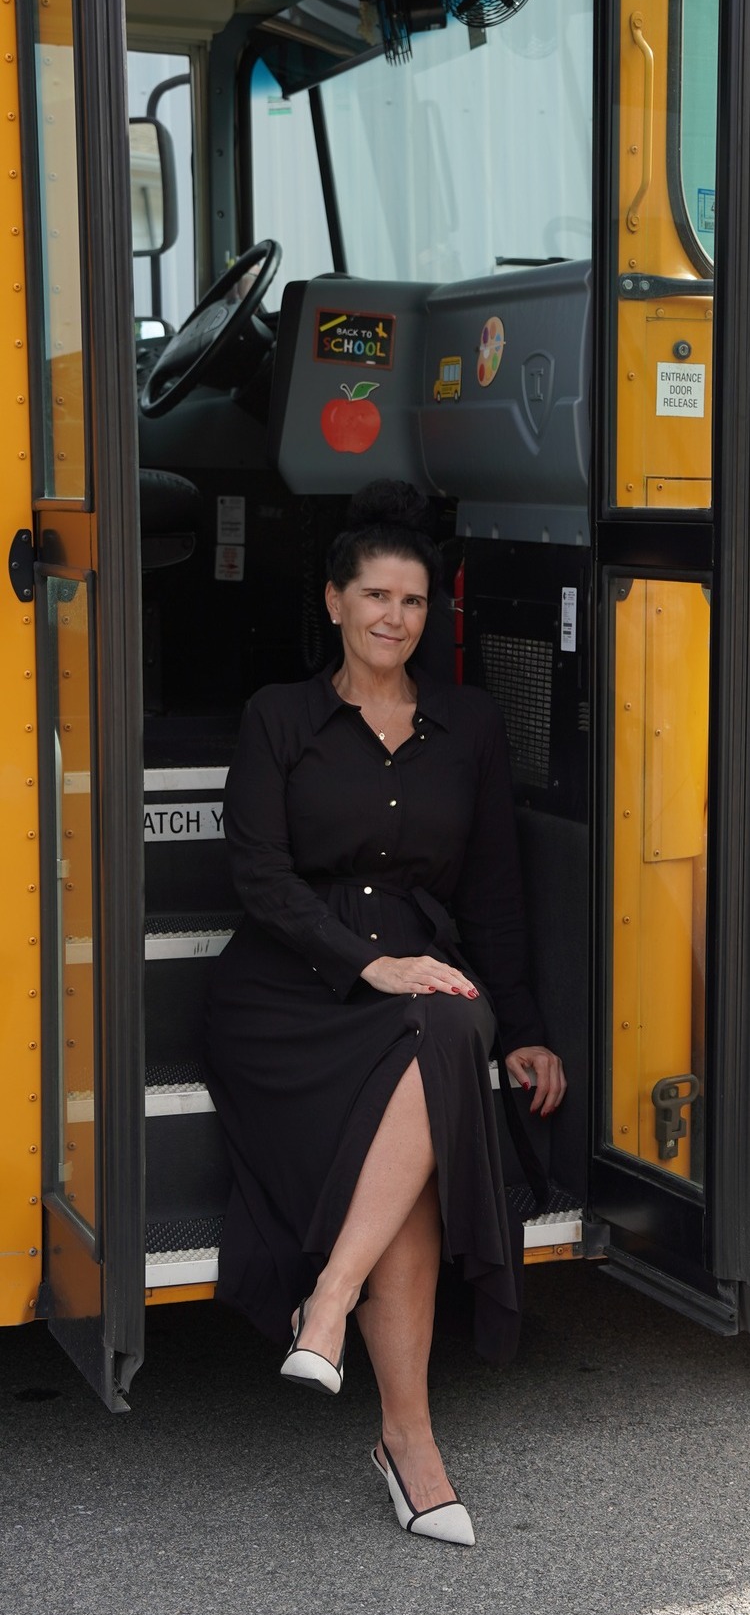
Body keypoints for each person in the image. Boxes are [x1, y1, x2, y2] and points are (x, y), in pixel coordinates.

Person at [204, 480, 565, 1547]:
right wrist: (370, 964)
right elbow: (259, 876)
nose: (392, 617)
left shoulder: (470, 725)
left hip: (423, 978)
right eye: (373, 594)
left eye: (412, 600)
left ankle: (334, 1312)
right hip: (288, 984)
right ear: (333, 601)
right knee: (428, 1067)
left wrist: (531, 1021)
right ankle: (405, 1439)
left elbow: (495, 888)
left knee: (453, 1021)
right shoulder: (280, 716)